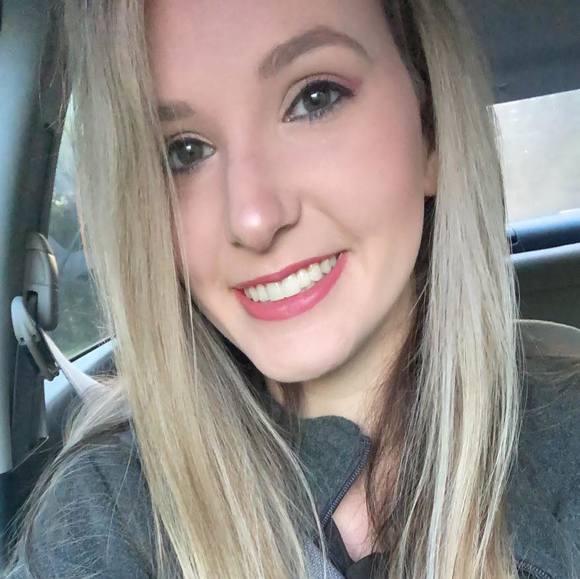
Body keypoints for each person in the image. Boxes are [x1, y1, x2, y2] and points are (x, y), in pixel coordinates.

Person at [4, 0, 579, 578]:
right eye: (183, 152)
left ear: (430, 132)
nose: (253, 218)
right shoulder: (108, 512)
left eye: (314, 98)